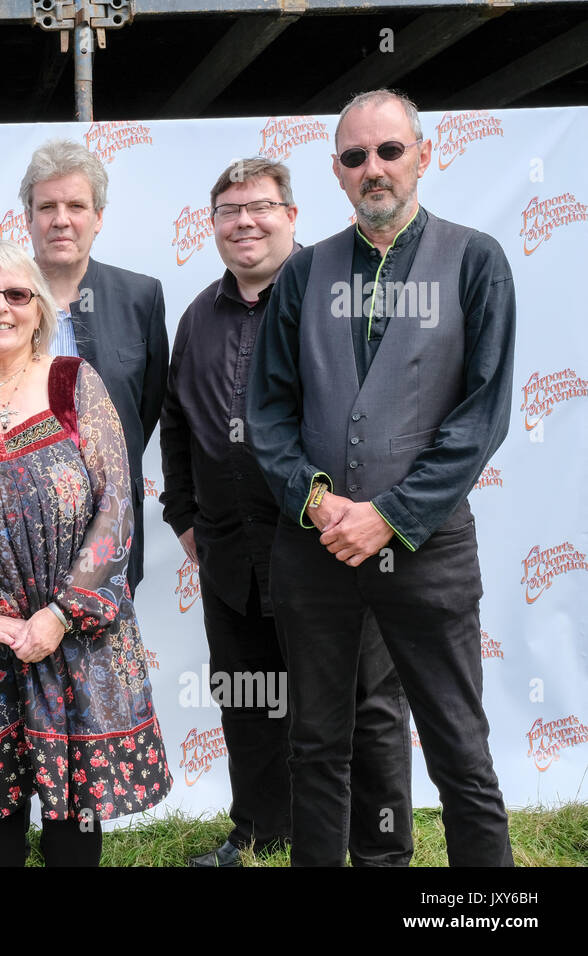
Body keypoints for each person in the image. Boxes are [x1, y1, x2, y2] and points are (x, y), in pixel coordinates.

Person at [247, 89, 516, 866]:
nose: (374, 168)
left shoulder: (474, 261)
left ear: (423, 156)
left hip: (428, 553)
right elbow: (268, 413)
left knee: (459, 750)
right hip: (316, 548)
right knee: (317, 746)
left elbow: (482, 416)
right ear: (336, 172)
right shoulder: (303, 274)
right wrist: (320, 503)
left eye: (389, 151)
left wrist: (390, 514)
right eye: (356, 156)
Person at [161, 156, 412, 867]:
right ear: (212, 226)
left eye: (261, 207)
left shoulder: (341, 300)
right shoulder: (197, 316)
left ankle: (379, 845)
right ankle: (262, 831)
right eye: (229, 211)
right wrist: (185, 518)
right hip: (229, 553)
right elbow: (177, 424)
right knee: (250, 700)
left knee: (361, 705)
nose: (245, 222)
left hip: (328, 548)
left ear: (292, 216)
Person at [0, 240, 173, 867]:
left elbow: (115, 507)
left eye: (17, 295)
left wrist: (62, 613)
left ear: (38, 310)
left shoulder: (75, 384)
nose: (0, 307)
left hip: (73, 632)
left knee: (74, 812)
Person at [0, 140, 168, 591]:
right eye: (46, 206)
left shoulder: (141, 298)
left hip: (112, 533)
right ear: (27, 218)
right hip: (7, 542)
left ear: (99, 217)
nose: (61, 219)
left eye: (76, 205)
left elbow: (143, 411)